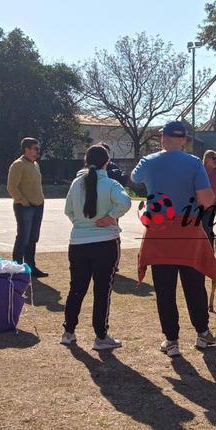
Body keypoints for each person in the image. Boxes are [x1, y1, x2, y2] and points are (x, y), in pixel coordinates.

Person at [131, 120, 216, 357]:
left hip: (159, 231)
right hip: (188, 231)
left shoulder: (148, 161)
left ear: (162, 138)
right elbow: (206, 200)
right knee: (194, 285)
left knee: (164, 289)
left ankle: (171, 341)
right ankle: (202, 333)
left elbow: (135, 178)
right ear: (184, 140)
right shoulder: (194, 163)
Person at [61, 144, 133, 350]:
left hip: (78, 242)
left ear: (86, 161)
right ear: (107, 162)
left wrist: (82, 224)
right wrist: (111, 217)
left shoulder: (76, 183)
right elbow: (126, 202)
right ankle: (101, 336)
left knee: (76, 288)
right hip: (105, 242)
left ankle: (68, 332)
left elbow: (68, 210)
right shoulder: (110, 184)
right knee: (102, 290)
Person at [8, 137, 47, 277]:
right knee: (23, 238)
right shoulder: (18, 165)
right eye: (35, 148)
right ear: (27, 149)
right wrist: (23, 201)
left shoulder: (35, 164)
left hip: (38, 206)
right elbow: (11, 187)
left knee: (33, 238)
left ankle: (31, 267)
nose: (38, 151)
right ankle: (17, 268)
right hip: (25, 207)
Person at [202, 149, 216, 254]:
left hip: (211, 207)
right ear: (206, 159)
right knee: (198, 231)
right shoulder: (199, 171)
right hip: (197, 206)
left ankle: (209, 254)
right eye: (213, 158)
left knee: (208, 230)